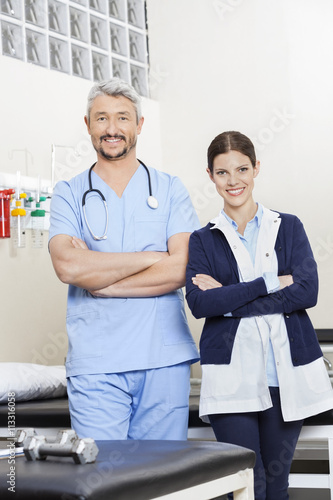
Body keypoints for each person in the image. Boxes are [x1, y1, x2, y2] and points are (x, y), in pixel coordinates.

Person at [48, 78, 200, 441]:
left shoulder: (169, 189)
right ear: (87, 125)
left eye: (123, 118)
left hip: (162, 360)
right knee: (103, 482)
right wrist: (151, 256)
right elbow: (68, 266)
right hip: (96, 363)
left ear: (139, 125)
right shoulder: (68, 194)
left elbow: (182, 266)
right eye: (101, 119)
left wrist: (104, 282)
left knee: (163, 484)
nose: (112, 129)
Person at [185, 131, 333, 499]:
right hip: (231, 377)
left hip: (285, 376)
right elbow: (201, 305)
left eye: (242, 169)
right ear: (210, 176)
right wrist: (268, 282)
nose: (233, 181)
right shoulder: (202, 240)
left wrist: (229, 299)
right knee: (249, 484)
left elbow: (306, 292)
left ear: (256, 169)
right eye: (222, 173)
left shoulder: (289, 226)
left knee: (277, 482)